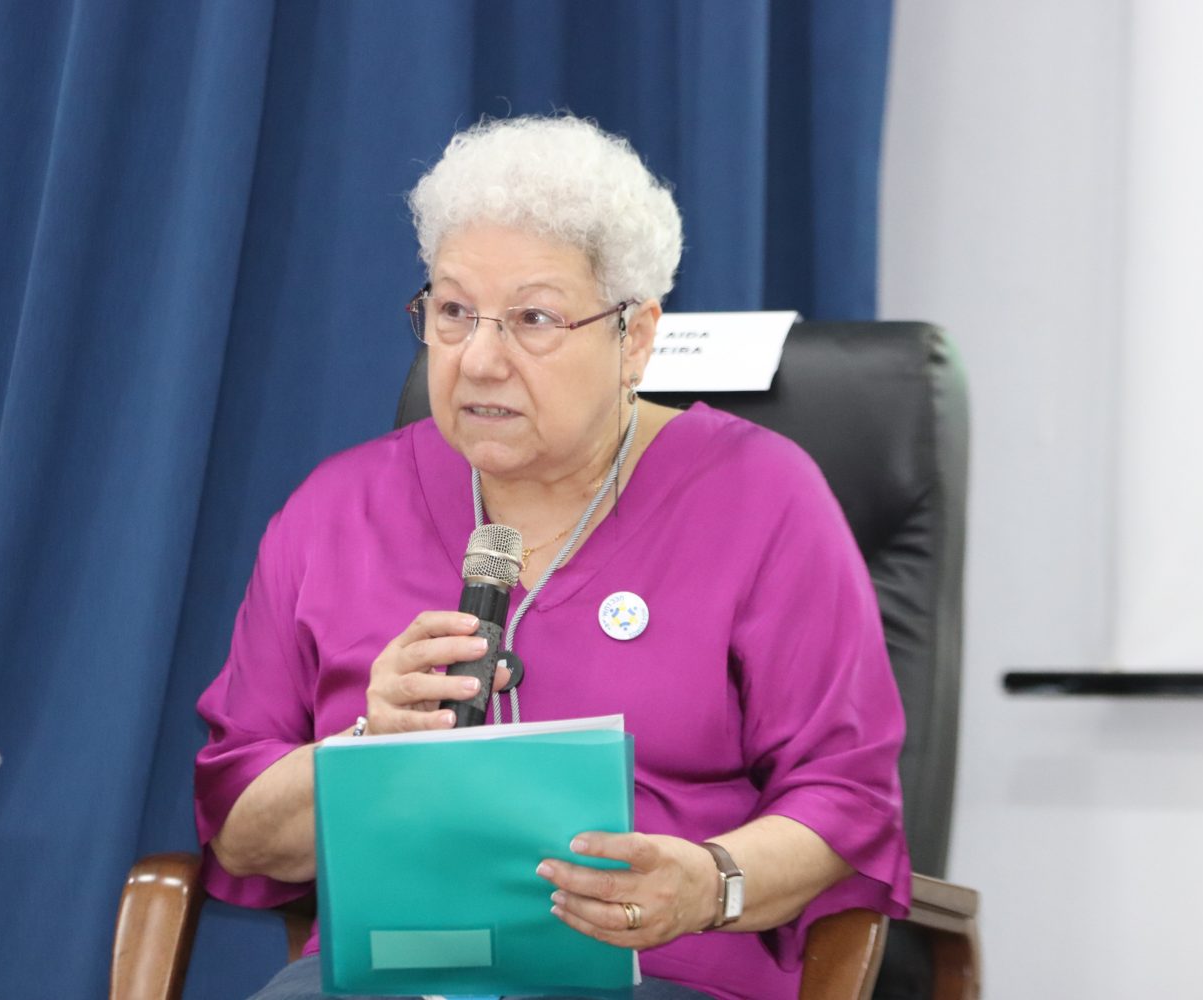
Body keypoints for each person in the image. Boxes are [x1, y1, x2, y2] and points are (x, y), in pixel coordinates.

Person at [194, 114, 912, 1000]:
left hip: (658, 975)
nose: (479, 359)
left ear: (635, 337)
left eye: (533, 318)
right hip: (391, 977)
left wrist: (708, 881)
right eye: (453, 312)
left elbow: (845, 797)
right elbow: (240, 834)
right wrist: (365, 749)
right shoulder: (335, 510)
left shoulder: (761, 498)